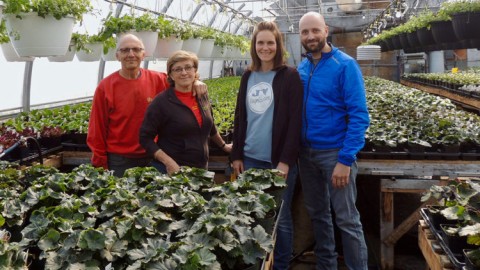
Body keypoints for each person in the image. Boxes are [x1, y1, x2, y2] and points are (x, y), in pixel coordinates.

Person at [297, 12, 370, 270]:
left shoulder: (345, 65)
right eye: (305, 32)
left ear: (326, 30)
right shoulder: (302, 67)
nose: (310, 36)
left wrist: (345, 159)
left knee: (347, 219)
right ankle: (326, 265)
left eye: (315, 30)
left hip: (334, 154)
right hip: (306, 154)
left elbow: (359, 115)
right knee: (318, 215)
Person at [230, 21, 303, 270]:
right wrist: (237, 154)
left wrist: (285, 161)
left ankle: (281, 265)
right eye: (260, 42)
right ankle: (256, 263)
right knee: (252, 215)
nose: (265, 47)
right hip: (249, 158)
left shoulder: (289, 76)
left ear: (278, 45)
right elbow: (240, 117)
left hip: (276, 162)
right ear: (254, 46)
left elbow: (295, 122)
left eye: (270, 42)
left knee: (279, 219)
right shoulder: (248, 75)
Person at [87, 34, 207, 177]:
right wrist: (100, 165)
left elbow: (182, 78)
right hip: (121, 160)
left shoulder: (159, 79)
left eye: (136, 50)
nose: (131, 54)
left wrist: (196, 82)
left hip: (156, 156)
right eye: (125, 50)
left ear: (143, 54)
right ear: (117, 55)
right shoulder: (105, 87)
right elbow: (97, 130)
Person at [139, 50, 231, 175]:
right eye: (177, 69)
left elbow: (210, 125)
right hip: (172, 172)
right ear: (170, 75)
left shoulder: (201, 95)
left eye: (188, 67)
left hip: (200, 168)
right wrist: (168, 162)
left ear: (195, 71)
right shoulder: (161, 102)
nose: (184, 73)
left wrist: (223, 146)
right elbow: (145, 139)